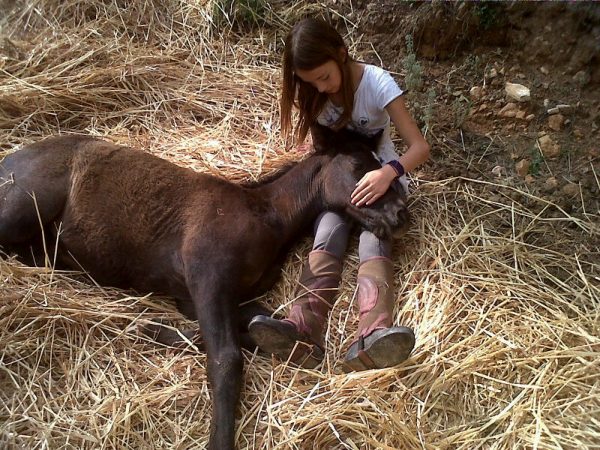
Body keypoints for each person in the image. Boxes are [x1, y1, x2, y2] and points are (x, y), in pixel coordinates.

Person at [248, 17, 430, 371]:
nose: (320, 87)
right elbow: (324, 154)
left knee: (373, 233)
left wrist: (387, 173)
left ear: (342, 54)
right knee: (328, 228)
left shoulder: (377, 83)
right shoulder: (314, 94)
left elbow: (420, 147)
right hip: (341, 179)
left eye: (325, 77)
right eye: (311, 82)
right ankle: (301, 325)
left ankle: (373, 332)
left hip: (377, 172)